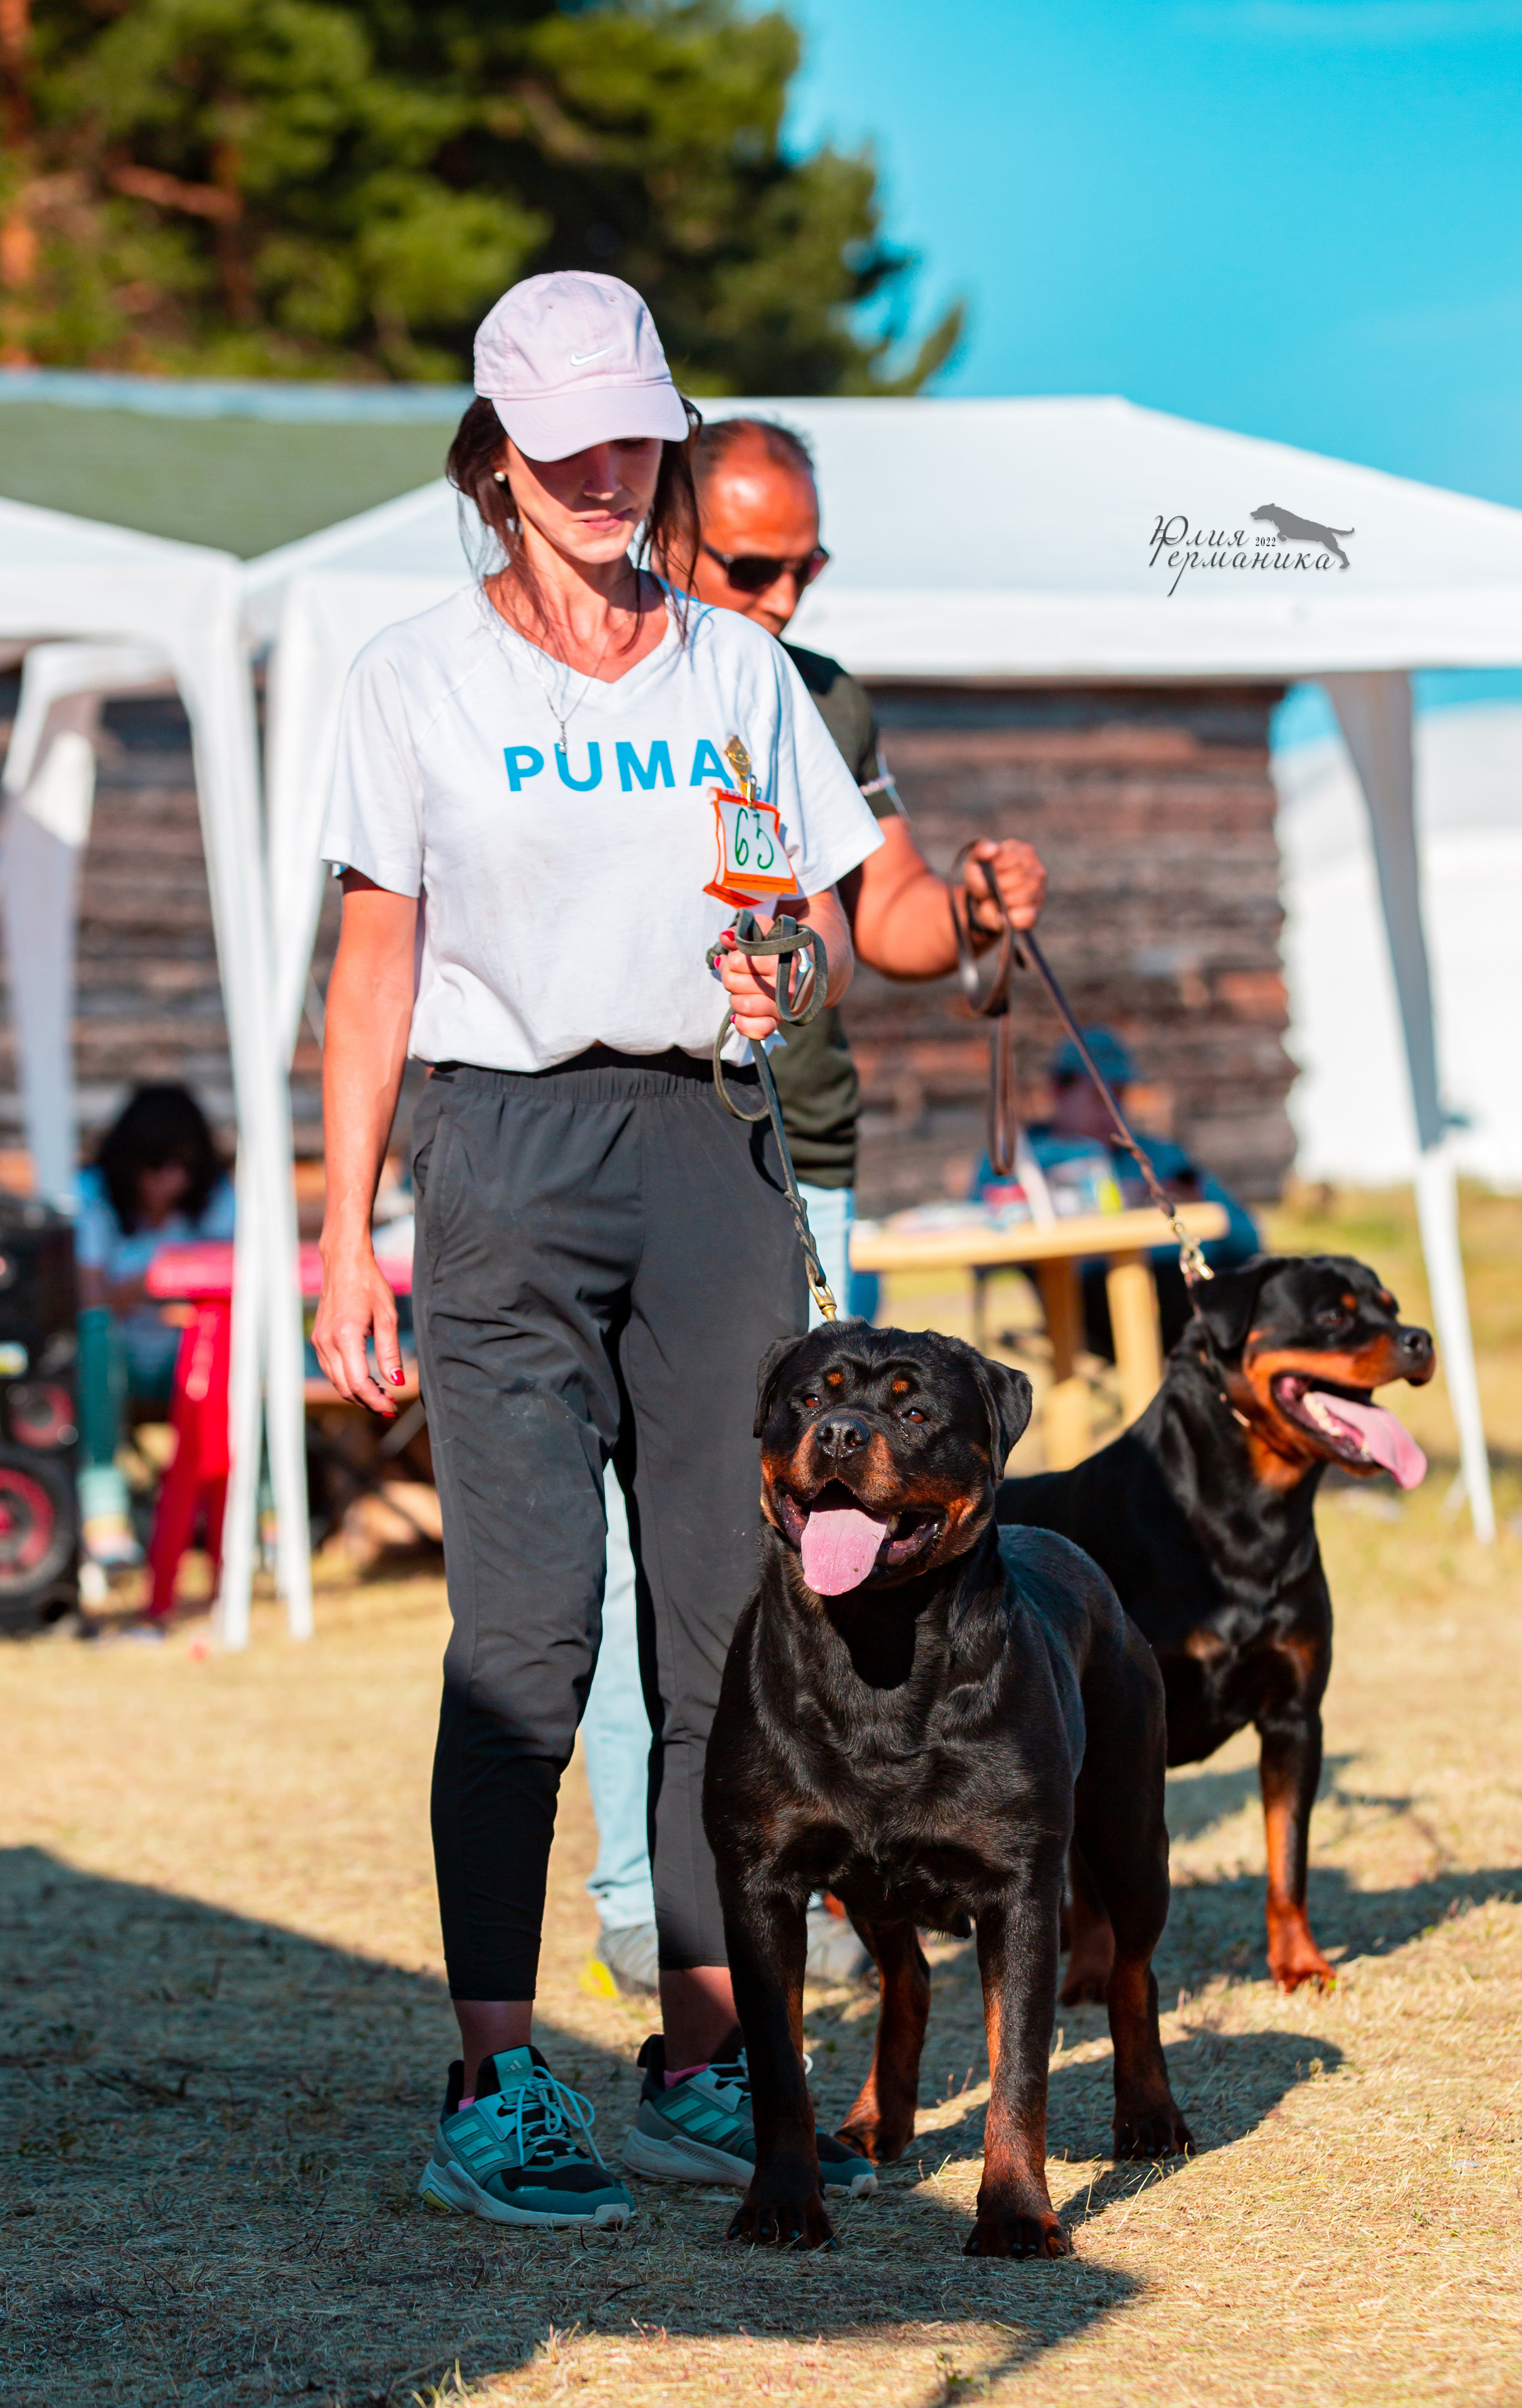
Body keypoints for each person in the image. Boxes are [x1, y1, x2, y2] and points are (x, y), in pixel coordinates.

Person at [313, 271, 886, 2231]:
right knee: (525, 1637)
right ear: (494, 456)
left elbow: (804, 924)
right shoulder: (413, 675)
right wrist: (339, 1234)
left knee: (729, 1624)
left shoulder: (736, 669)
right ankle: (491, 2073)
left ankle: (710, 2053)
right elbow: (373, 959)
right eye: (564, 447)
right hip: (501, 1151)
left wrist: (782, 964)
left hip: (708, 1151)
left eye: (631, 435)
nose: (605, 474)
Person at [580, 414, 1049, 1996]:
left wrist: (970, 902)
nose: (784, 595)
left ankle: (836, 1857)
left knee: (823, 1536)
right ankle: (653, 1895)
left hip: (810, 1161)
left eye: (807, 562)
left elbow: (892, 919)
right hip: (649, 1142)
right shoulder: (609, 679)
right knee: (658, 1544)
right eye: (750, 565)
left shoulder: (823, 695)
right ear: (665, 537)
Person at [980, 1026, 1261, 1359]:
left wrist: (1189, 1206)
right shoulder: (1018, 1160)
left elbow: (1245, 1234)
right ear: (1058, 1091)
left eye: (1120, 1094)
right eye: (1099, 1096)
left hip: (1194, 1291)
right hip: (1090, 1307)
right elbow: (986, 1235)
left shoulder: (1157, 1155)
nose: (1113, 1109)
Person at [75, 1083, 234, 1570]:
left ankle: (251, 1519)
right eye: (159, 1165)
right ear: (131, 1162)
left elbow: (236, 1288)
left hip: (197, 1362)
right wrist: (161, 1280)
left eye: (185, 1166)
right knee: (94, 1335)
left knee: (238, 1349)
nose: (174, 1181)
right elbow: (88, 1300)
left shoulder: (218, 1196)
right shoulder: (92, 1194)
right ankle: (105, 1519)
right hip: (117, 1366)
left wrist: (143, 1288)